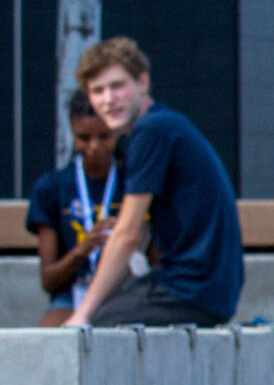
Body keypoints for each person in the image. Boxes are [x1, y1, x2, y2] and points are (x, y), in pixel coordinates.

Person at [66, 37, 243, 328]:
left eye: (117, 86)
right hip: (209, 289)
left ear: (142, 82)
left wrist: (82, 315)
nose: (108, 100)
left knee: (98, 327)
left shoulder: (151, 130)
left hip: (189, 290)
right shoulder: (164, 124)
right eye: (97, 91)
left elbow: (128, 234)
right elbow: (143, 231)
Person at [24, 93, 124, 328]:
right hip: (72, 292)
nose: (95, 146)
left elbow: (156, 262)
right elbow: (48, 281)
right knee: (51, 335)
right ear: (71, 131)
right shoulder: (52, 187)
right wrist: (85, 248)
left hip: (124, 292)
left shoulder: (135, 184)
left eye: (104, 136)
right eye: (84, 138)